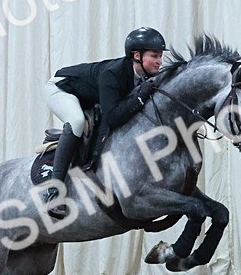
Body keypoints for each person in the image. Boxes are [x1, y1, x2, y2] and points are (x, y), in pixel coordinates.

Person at [40, 27, 167, 214]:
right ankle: (54, 191)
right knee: (76, 121)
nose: (159, 61)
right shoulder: (113, 74)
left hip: (89, 96)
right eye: (154, 56)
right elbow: (113, 118)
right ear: (137, 56)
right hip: (60, 89)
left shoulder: (146, 76)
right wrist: (139, 98)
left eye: (160, 56)